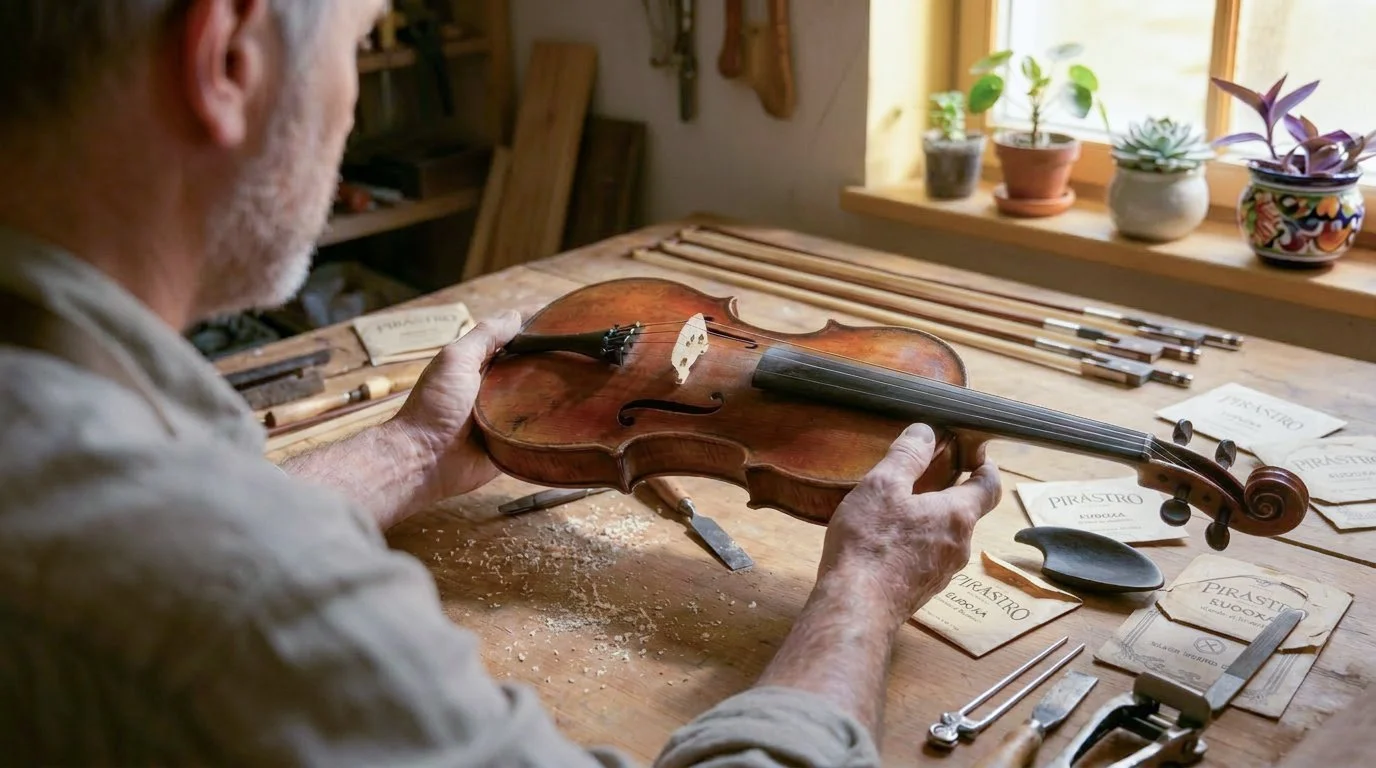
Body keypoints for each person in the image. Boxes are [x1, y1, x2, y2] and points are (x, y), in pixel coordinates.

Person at [0, 1, 1003, 765]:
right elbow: (208, 556)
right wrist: (861, 594)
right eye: (353, 51)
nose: (345, 110)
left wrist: (413, 447)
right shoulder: (244, 598)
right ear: (226, 57)